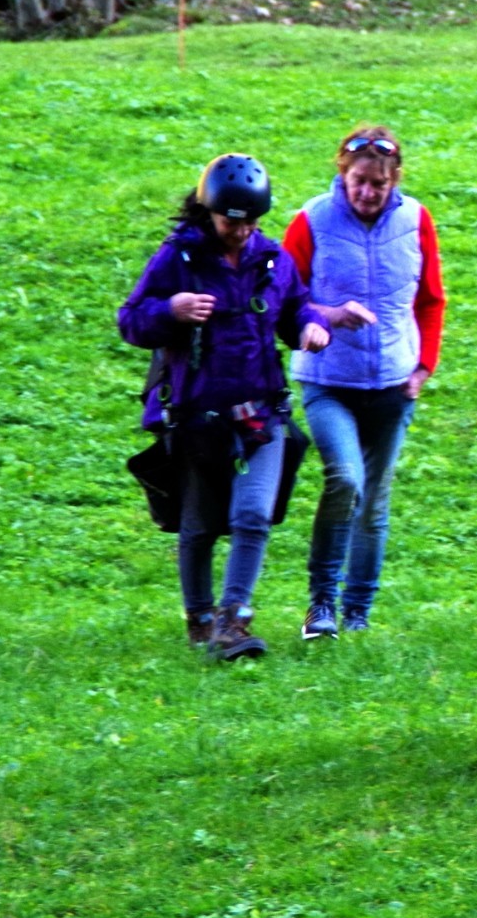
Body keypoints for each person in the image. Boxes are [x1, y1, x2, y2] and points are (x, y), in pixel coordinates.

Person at [118, 155, 371, 660]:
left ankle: (234, 621)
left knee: (253, 514)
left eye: (250, 221)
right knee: (198, 526)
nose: (240, 231)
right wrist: (171, 310)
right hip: (196, 415)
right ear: (209, 211)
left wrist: (308, 328)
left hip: (262, 413)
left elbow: (294, 306)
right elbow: (131, 320)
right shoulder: (178, 260)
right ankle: (200, 616)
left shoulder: (272, 260)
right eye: (230, 220)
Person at [283, 126, 445, 639]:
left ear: (394, 179)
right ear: (342, 173)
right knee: (346, 480)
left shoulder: (416, 220)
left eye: (378, 183)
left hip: (393, 388)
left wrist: (423, 368)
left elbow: (431, 300)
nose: (367, 192)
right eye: (358, 180)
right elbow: (283, 299)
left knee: (374, 504)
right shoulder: (312, 221)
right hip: (328, 382)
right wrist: (326, 316)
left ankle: (356, 614)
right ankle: (320, 605)